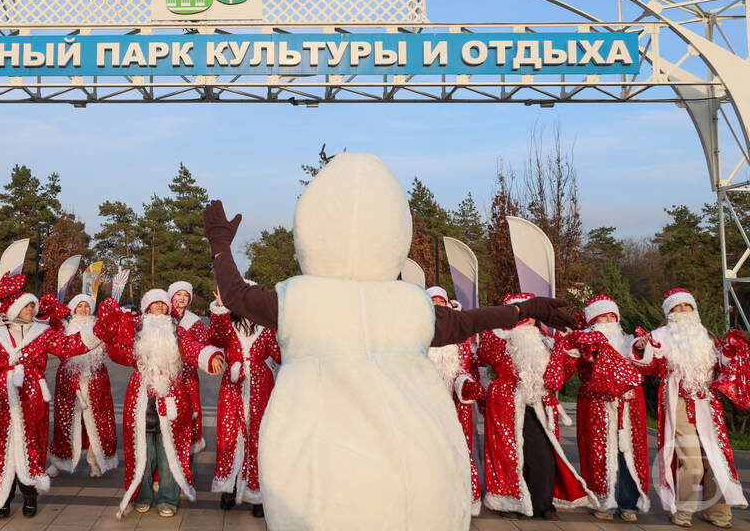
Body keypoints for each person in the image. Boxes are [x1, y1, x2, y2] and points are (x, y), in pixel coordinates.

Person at [201, 153, 576, 531]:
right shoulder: (411, 303)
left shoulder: (297, 299)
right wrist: (525, 308)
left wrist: (220, 245)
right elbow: (470, 322)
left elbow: (234, 294)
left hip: (324, 475)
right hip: (416, 471)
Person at [0, 290, 114, 518]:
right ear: (14, 309)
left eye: (33, 306)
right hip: (5, 398)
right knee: (3, 448)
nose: (31, 310)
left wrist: (101, 328)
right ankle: (2, 497)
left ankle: (30, 496)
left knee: (32, 445)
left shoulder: (43, 333)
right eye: (26, 306)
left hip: (33, 397)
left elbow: (71, 346)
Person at [634, 288, 750, 528]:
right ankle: (684, 511)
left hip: (707, 402)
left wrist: (734, 352)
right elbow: (648, 366)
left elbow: (722, 365)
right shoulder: (660, 335)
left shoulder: (707, 337)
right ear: (669, 312)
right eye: (676, 307)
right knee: (692, 460)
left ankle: (717, 511)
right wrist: (639, 346)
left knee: (716, 457)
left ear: (694, 309)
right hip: (677, 400)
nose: (682, 311)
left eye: (686, 306)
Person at [106, 290, 225, 519]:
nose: (159, 307)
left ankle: (168, 498)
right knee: (144, 452)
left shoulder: (176, 330)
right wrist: (112, 329)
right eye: (155, 304)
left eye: (162, 303)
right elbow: (119, 352)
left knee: (171, 452)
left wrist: (209, 356)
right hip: (141, 398)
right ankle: (143, 496)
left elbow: (190, 347)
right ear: (147, 307)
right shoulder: (136, 329)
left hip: (172, 397)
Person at [476, 293, 594, 519]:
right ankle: (508, 503)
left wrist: (570, 354)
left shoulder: (547, 341)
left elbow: (563, 373)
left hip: (540, 404)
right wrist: (504, 328)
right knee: (507, 454)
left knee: (543, 455)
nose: (528, 319)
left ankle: (543, 504)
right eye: (523, 314)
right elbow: (486, 354)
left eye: (533, 315)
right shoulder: (501, 339)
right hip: (507, 403)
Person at [554, 295, 649, 522]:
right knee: (600, 453)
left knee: (629, 453)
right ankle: (604, 502)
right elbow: (566, 371)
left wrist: (642, 349)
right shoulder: (584, 340)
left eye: (611, 316)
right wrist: (569, 347)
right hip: (596, 405)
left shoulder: (628, 341)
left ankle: (629, 503)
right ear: (593, 320)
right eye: (602, 317)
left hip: (629, 405)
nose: (607, 320)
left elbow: (646, 367)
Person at [209, 289, 280, 518]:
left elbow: (278, 353)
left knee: (258, 438)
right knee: (230, 436)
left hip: (260, 387)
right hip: (233, 387)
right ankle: (228, 489)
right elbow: (216, 337)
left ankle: (256, 494)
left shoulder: (266, 327)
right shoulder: (228, 325)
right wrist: (221, 306)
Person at [425, 288, 484, 516]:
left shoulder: (460, 338)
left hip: (456, 404)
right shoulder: (419, 336)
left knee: (460, 449)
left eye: (442, 300)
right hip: (426, 405)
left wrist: (465, 383)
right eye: (434, 301)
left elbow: (464, 369)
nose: (438, 304)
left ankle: (464, 500)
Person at [47, 293, 118, 478]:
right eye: (80, 306)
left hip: (96, 380)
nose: (84, 310)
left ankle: (96, 461)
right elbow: (49, 324)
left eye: (87, 306)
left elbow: (115, 346)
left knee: (98, 422)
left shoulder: (99, 327)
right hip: (68, 380)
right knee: (65, 421)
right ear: (73, 309)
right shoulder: (64, 327)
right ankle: (58, 461)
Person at [169, 281, 222, 454]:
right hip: (166, 373)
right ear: (171, 296)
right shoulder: (163, 316)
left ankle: (189, 445)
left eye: (185, 295)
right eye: (178, 294)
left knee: (192, 408)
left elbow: (205, 343)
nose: (182, 298)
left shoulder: (194, 321)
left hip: (188, 373)